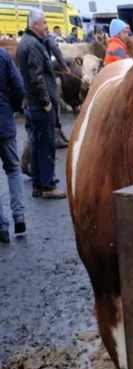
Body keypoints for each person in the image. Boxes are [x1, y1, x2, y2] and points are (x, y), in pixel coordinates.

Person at [16, 9, 66, 199]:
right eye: (44, 23)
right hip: (40, 104)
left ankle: (39, 183)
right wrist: (46, 102)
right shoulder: (33, 45)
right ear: (35, 24)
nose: (46, 26)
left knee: (37, 144)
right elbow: (37, 77)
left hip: (32, 102)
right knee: (46, 144)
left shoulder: (27, 42)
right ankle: (48, 186)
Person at [0, 47, 26, 242]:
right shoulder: (3, 55)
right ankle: (19, 217)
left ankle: (1, 226)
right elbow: (18, 86)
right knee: (13, 169)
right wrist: (14, 107)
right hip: (4, 122)